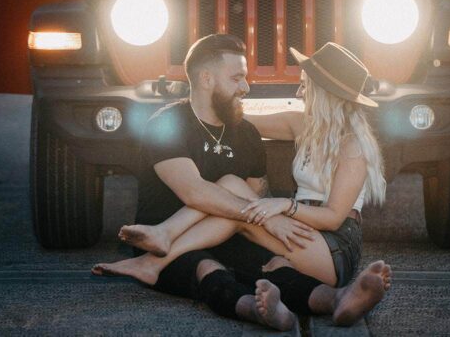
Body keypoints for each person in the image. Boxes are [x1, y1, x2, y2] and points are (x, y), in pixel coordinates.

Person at [92, 35, 390, 329]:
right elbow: (238, 120)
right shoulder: (302, 124)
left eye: (305, 86)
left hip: (333, 242)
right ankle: (335, 301)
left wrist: (281, 208)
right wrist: (202, 97)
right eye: (237, 79)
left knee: (239, 202)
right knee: (238, 201)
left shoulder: (353, 146)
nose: (299, 93)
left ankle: (158, 251)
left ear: (325, 93)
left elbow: (334, 216)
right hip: (303, 228)